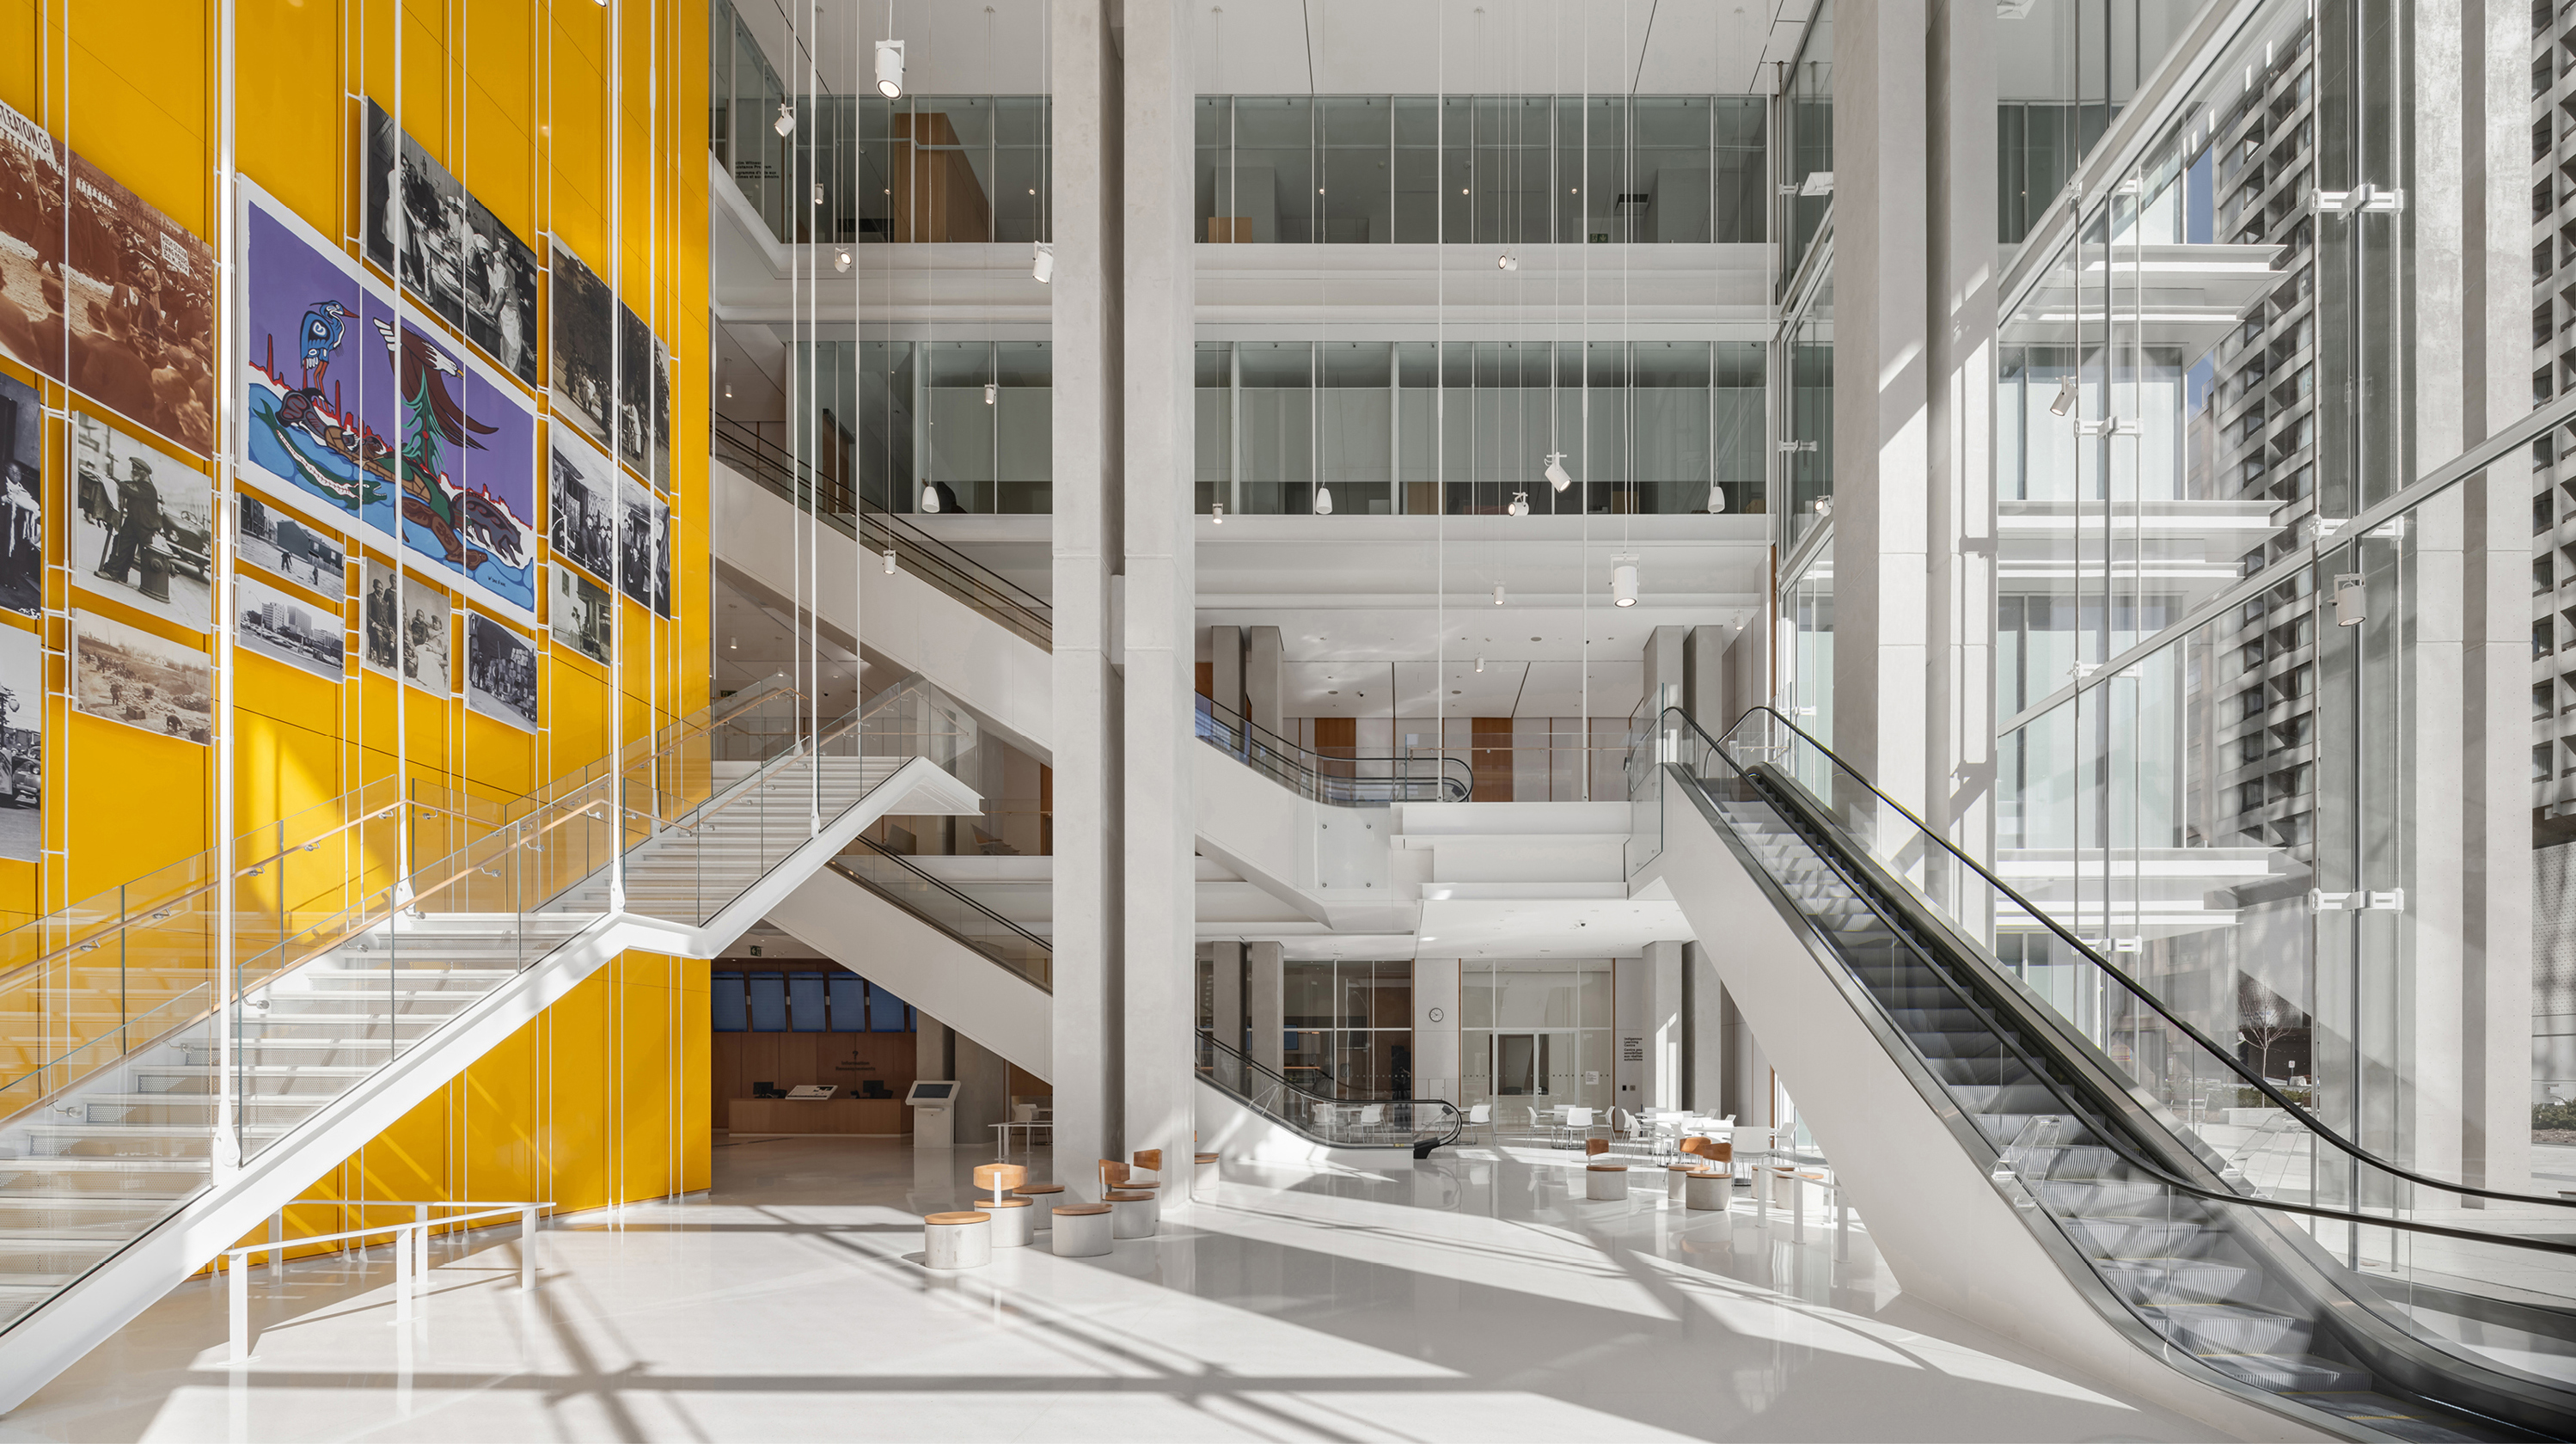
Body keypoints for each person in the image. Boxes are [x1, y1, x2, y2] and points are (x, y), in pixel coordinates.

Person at [95, 455, 160, 588]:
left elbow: (127, 488)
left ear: (143, 474)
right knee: (128, 548)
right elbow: (127, 486)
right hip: (139, 523)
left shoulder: (147, 488)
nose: (132, 474)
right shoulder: (144, 486)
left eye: (135, 472)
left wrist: (117, 482)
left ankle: (111, 572)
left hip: (141, 524)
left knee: (121, 543)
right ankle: (123, 574)